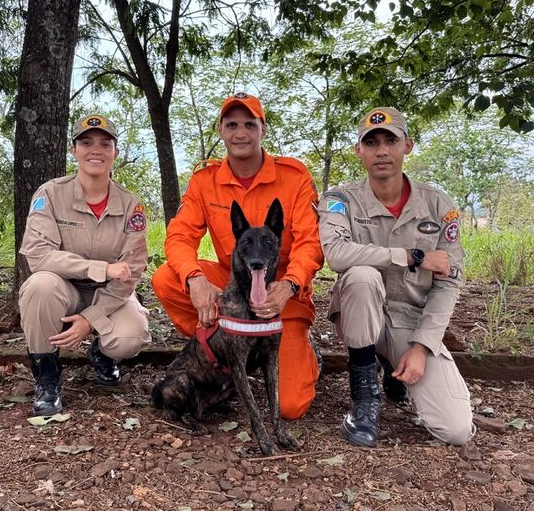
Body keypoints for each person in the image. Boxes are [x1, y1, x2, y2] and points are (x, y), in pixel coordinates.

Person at [151, 92, 324, 420]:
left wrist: (289, 285)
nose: (240, 132)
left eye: (250, 124)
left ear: (263, 129)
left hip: (284, 295)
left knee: (289, 407)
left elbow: (310, 243)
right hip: (236, 288)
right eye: (232, 124)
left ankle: (304, 351)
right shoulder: (205, 180)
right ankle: (226, 353)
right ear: (220, 129)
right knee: (166, 278)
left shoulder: (294, 177)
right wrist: (195, 278)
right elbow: (178, 236)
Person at [318, 107, 474, 447]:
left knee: (456, 430)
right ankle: (364, 401)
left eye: (391, 140)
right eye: (371, 142)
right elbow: (337, 255)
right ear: (359, 150)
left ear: (408, 146)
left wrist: (421, 346)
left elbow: (449, 279)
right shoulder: (339, 199)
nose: (382, 150)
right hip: (359, 315)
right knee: (361, 276)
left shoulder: (437, 205)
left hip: (410, 321)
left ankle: (395, 367)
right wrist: (410, 256)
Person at [18, 114, 150, 416]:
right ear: (73, 150)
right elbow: (39, 255)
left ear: (115, 152)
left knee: (130, 337)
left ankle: (101, 353)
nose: (96, 150)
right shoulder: (50, 194)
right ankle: (47, 379)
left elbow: (131, 271)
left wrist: (90, 320)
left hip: (112, 296)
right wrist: (99, 268)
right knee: (39, 286)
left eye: (106, 144)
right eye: (86, 142)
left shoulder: (132, 205)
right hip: (65, 290)